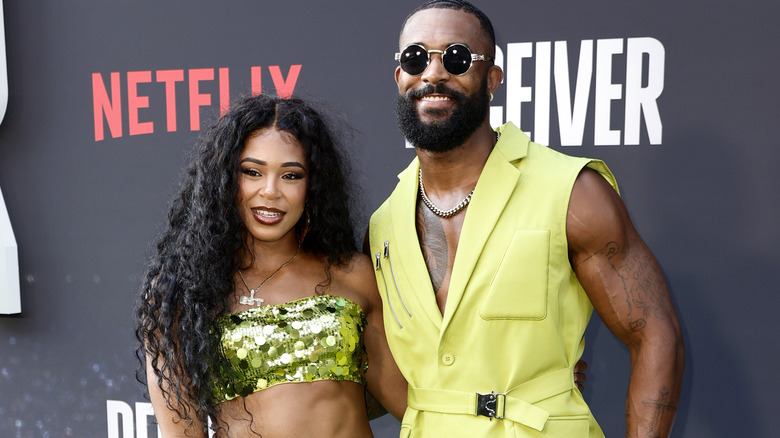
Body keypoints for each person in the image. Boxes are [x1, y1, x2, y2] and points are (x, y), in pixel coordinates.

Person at [366, 1, 685, 437]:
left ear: (492, 78)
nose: (433, 73)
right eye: (415, 58)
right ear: (400, 76)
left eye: (457, 58)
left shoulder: (573, 191)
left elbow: (655, 334)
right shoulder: (384, 224)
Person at [134, 94, 406, 437]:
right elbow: (182, 431)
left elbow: (409, 403)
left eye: (291, 175)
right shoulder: (180, 292)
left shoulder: (352, 273)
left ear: (313, 186)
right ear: (224, 179)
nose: (270, 191)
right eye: (252, 171)